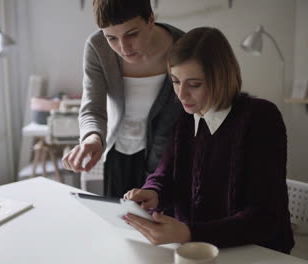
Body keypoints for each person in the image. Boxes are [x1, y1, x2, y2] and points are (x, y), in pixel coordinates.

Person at [123, 27, 295, 254]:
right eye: (175, 81)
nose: (181, 95)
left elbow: (263, 219)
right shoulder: (185, 118)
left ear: (221, 78)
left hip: (255, 251)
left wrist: (188, 232)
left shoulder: (261, 118)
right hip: (195, 247)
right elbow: (164, 174)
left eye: (194, 84)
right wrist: (153, 192)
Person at [62, 0, 183, 197]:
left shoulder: (183, 47)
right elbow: (93, 107)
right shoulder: (97, 47)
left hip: (168, 159)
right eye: (112, 38)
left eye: (132, 34)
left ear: (151, 19)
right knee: (119, 222)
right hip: (118, 154)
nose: (124, 48)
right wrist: (92, 138)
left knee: (157, 223)